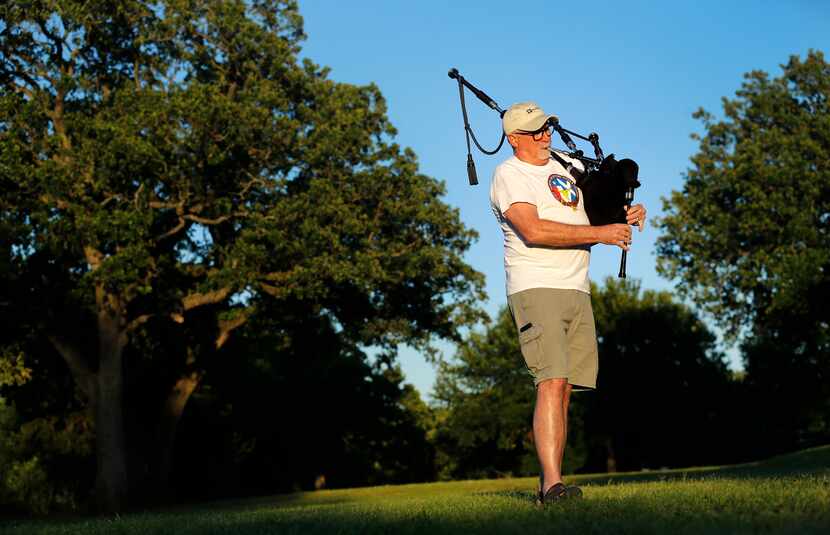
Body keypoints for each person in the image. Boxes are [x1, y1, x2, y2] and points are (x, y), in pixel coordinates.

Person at [489, 102, 646, 504]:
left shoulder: (563, 164)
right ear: (513, 139)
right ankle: (554, 484)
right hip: (536, 285)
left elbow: (591, 215)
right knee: (551, 379)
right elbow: (534, 230)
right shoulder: (510, 174)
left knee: (563, 388)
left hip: (577, 287)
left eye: (546, 129)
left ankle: (550, 486)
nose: (545, 137)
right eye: (535, 132)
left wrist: (624, 214)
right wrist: (604, 233)